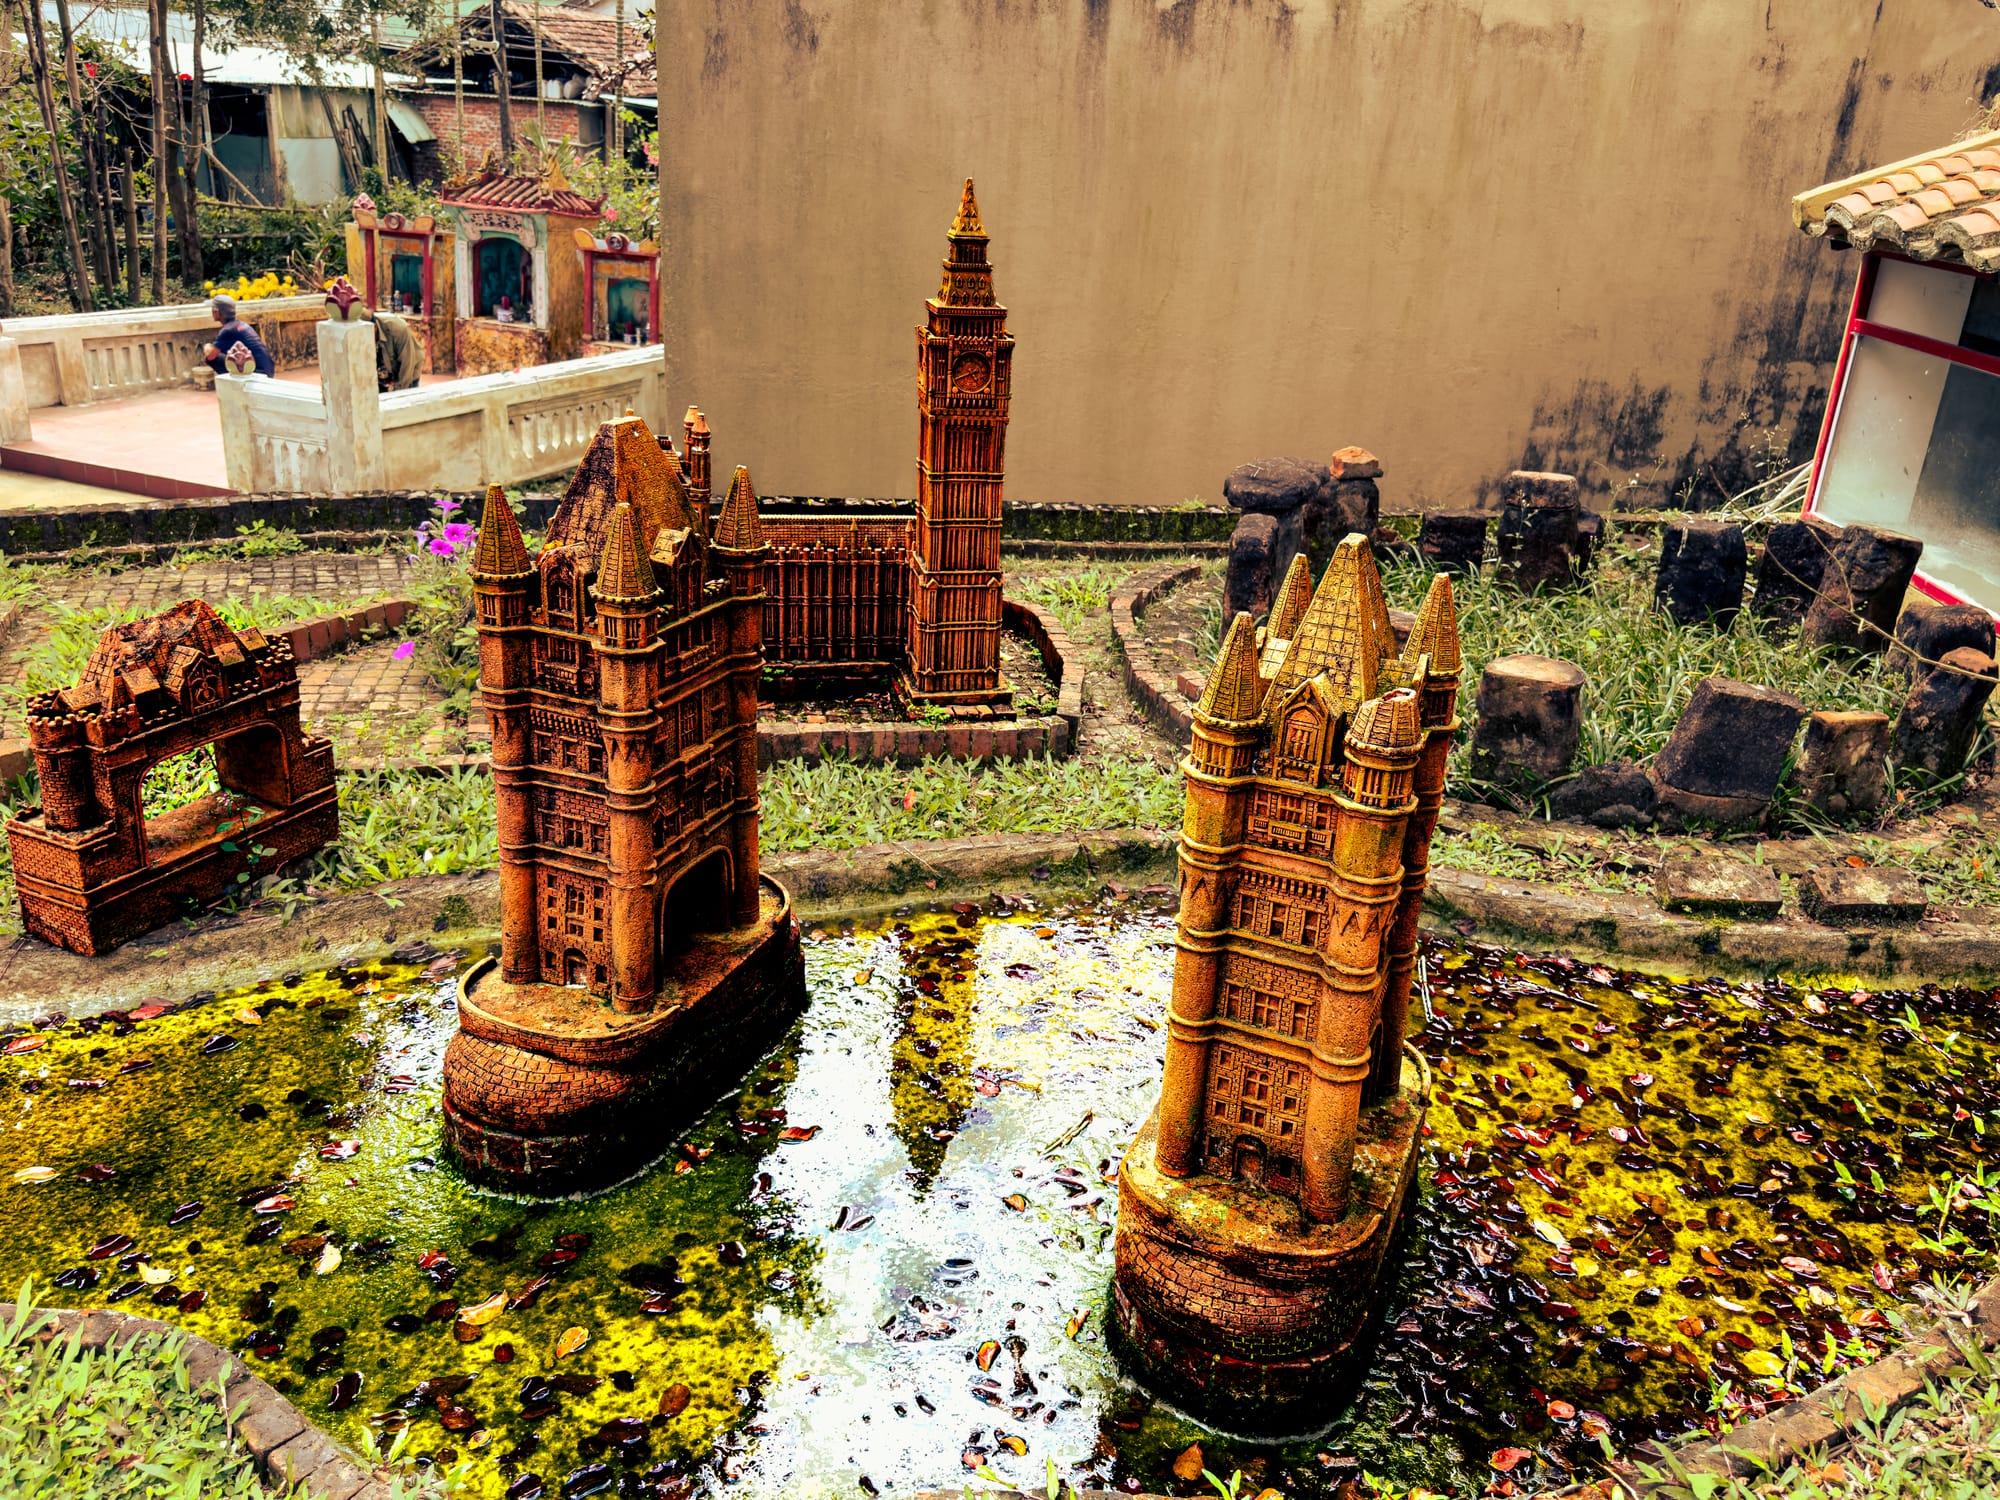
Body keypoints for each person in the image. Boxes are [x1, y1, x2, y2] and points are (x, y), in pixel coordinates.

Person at [201, 294, 274, 378]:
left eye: (213, 310)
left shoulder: (228, 330)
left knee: (213, 359)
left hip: (258, 373)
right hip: (268, 370)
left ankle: (233, 382)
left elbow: (211, 355)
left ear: (217, 312)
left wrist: (207, 346)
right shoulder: (241, 325)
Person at [371, 310, 423, 392]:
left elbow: (407, 364)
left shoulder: (397, 329)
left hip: (410, 367)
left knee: (407, 394)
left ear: (375, 327)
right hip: (385, 373)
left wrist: (400, 392)